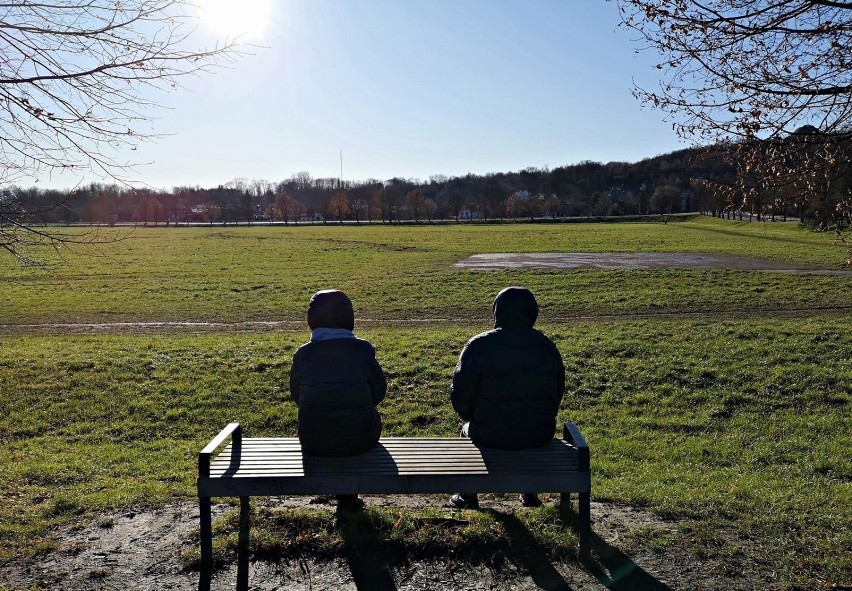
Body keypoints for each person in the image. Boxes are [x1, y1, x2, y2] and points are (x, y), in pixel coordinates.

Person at [449, 286, 565, 509]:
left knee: (466, 431)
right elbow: (556, 394)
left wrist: (476, 416)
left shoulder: (478, 346)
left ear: (497, 312)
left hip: (488, 434)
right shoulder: (547, 347)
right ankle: (529, 492)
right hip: (538, 434)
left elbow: (461, 398)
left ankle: (468, 494)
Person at [289, 289, 386, 509]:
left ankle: (344, 497)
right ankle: (348, 497)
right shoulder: (363, 350)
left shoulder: (303, 354)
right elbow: (378, 393)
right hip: (362, 439)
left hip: (314, 441)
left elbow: (297, 395)